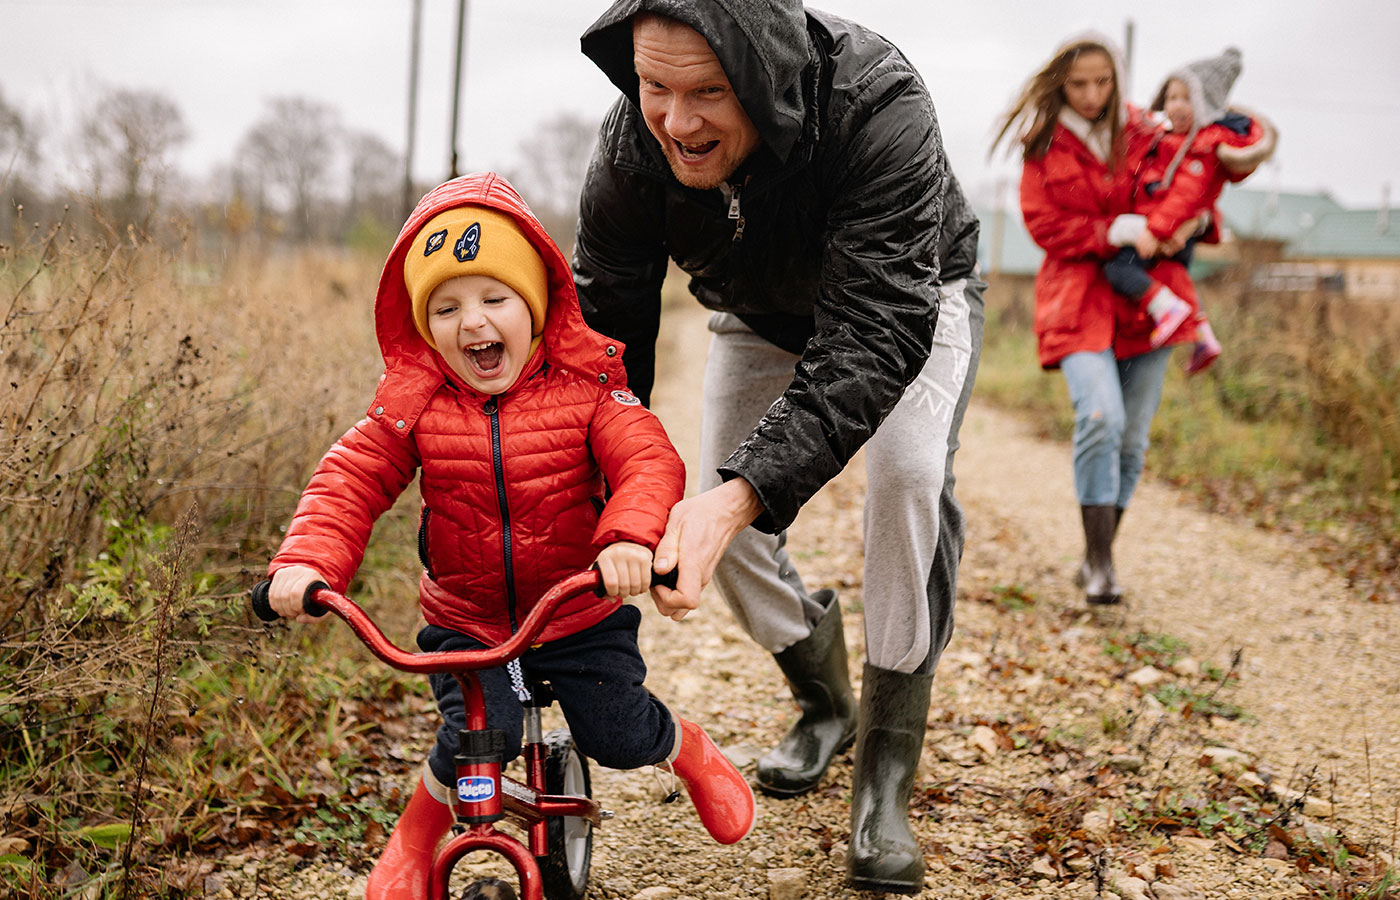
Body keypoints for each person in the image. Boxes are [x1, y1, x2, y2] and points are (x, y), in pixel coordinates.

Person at [574, 3, 983, 893]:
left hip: (909, 297)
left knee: (906, 479)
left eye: (709, 92)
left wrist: (740, 494)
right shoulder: (630, 151)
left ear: (761, 74)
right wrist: (594, 493)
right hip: (757, 314)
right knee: (721, 509)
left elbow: (876, 331)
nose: (678, 123)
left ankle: (884, 771)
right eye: (654, 89)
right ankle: (825, 701)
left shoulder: (879, 103)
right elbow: (605, 342)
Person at [265, 172, 756, 900]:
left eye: (495, 299)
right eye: (447, 306)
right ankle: (414, 841)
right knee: (474, 743)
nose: (474, 323)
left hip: (578, 609)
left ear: (534, 305)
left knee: (617, 732)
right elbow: (351, 480)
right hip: (468, 620)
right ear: (423, 325)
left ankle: (687, 751)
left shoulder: (588, 390)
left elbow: (648, 459)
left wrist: (627, 537)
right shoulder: (415, 405)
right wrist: (306, 562)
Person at [991, 35, 1205, 606]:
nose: (1090, 95)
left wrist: (1197, 216)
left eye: (1102, 82)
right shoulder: (1043, 144)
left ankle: (1095, 557)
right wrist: (1108, 232)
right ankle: (1103, 565)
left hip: (1146, 299)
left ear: (1117, 80)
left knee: (1133, 440)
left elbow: (1194, 176)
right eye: (1079, 83)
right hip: (1077, 297)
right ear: (1062, 82)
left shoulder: (1145, 131)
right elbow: (1042, 224)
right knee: (1102, 417)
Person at [1103, 46, 1277, 374]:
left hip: (1163, 230)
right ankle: (1202, 335)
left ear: (1205, 105)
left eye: (1186, 98)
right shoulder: (1168, 140)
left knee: (1118, 270)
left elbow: (1185, 196)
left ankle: (1166, 310)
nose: (1175, 106)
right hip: (1166, 229)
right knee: (1173, 277)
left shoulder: (1200, 148)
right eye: (1171, 97)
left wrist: (1156, 232)